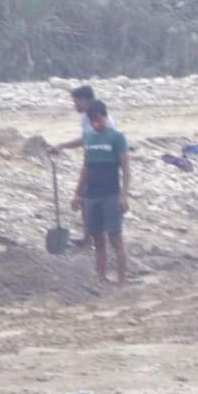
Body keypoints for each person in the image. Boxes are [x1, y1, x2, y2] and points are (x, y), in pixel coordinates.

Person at [46, 85, 117, 247]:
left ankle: (96, 239)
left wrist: (62, 145)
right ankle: (89, 238)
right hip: (97, 163)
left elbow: (88, 141)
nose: (75, 105)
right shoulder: (87, 117)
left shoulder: (96, 118)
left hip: (101, 165)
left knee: (90, 200)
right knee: (87, 202)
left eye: (76, 101)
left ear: (85, 100)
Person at [70, 101, 131, 285]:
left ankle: (121, 280)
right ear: (90, 121)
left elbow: (126, 168)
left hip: (111, 194)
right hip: (91, 195)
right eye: (94, 121)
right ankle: (101, 277)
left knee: (115, 238)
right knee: (97, 239)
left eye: (100, 119)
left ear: (105, 116)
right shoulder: (88, 138)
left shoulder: (117, 137)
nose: (98, 124)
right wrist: (77, 194)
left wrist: (123, 195)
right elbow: (86, 168)